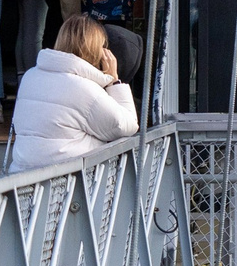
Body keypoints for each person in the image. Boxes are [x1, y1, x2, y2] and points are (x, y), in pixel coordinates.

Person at [7, 14, 138, 169]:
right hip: (67, 183)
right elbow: (125, 126)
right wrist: (114, 81)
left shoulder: (30, 76)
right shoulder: (85, 89)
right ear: (97, 50)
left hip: (22, 179)